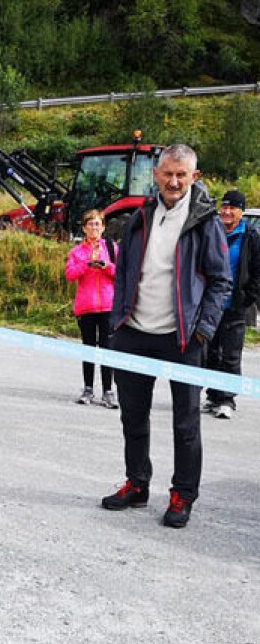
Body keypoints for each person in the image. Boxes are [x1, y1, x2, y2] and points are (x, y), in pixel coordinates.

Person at [102, 145, 230, 529]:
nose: (174, 182)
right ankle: (137, 484)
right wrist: (117, 321)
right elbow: (124, 271)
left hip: (182, 339)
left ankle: (182, 495)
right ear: (156, 174)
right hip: (134, 333)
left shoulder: (205, 221)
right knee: (133, 417)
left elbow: (221, 282)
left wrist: (203, 331)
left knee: (186, 423)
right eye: (167, 174)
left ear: (195, 176)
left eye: (182, 175)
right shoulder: (140, 215)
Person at [203, 190, 260, 420]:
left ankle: (227, 399)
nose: (226, 212)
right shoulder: (213, 231)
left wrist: (248, 298)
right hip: (212, 304)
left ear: (241, 212)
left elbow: (256, 272)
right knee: (210, 352)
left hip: (236, 304)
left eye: (232, 208)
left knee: (231, 354)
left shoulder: (251, 236)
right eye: (224, 207)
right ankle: (213, 395)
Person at [64, 209, 118, 408]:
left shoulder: (111, 248)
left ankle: (108, 390)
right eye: (90, 225)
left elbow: (121, 273)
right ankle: (88, 388)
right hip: (86, 306)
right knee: (88, 348)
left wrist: (106, 266)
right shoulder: (77, 251)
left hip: (107, 305)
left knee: (107, 349)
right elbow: (70, 274)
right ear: (84, 228)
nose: (94, 228)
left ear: (103, 227)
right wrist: (87, 265)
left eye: (97, 224)